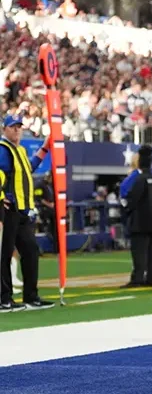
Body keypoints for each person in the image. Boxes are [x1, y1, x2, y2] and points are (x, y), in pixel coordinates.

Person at [0, 115, 52, 312]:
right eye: (13, 127)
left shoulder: (19, 150)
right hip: (9, 210)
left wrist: (45, 148)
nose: (17, 130)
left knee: (30, 251)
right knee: (4, 254)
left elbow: (29, 168)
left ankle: (31, 295)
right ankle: (4, 298)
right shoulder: (3, 149)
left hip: (22, 210)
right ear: (4, 129)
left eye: (19, 127)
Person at [120, 145, 152, 287]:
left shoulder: (139, 179)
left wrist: (126, 210)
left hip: (140, 222)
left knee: (139, 252)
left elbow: (132, 200)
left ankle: (137, 278)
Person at [34, 171, 56, 253]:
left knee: (54, 229)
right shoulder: (40, 185)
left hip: (52, 210)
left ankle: (56, 248)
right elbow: (38, 198)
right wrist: (49, 204)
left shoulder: (50, 185)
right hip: (44, 210)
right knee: (47, 229)